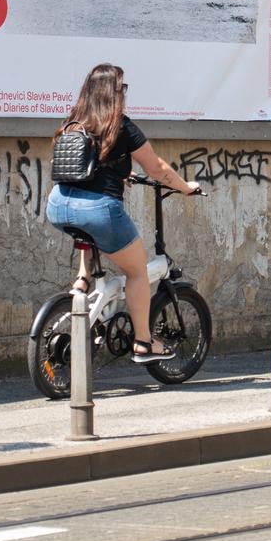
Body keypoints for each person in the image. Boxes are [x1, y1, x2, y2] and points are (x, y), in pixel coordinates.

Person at [45, 63, 201, 363]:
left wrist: (120, 173)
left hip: (58, 205)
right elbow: (156, 168)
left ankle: (82, 279)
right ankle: (143, 342)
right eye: (122, 88)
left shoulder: (73, 122)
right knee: (137, 271)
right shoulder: (121, 127)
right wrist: (185, 187)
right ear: (115, 93)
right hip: (97, 211)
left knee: (86, 227)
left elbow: (85, 167)